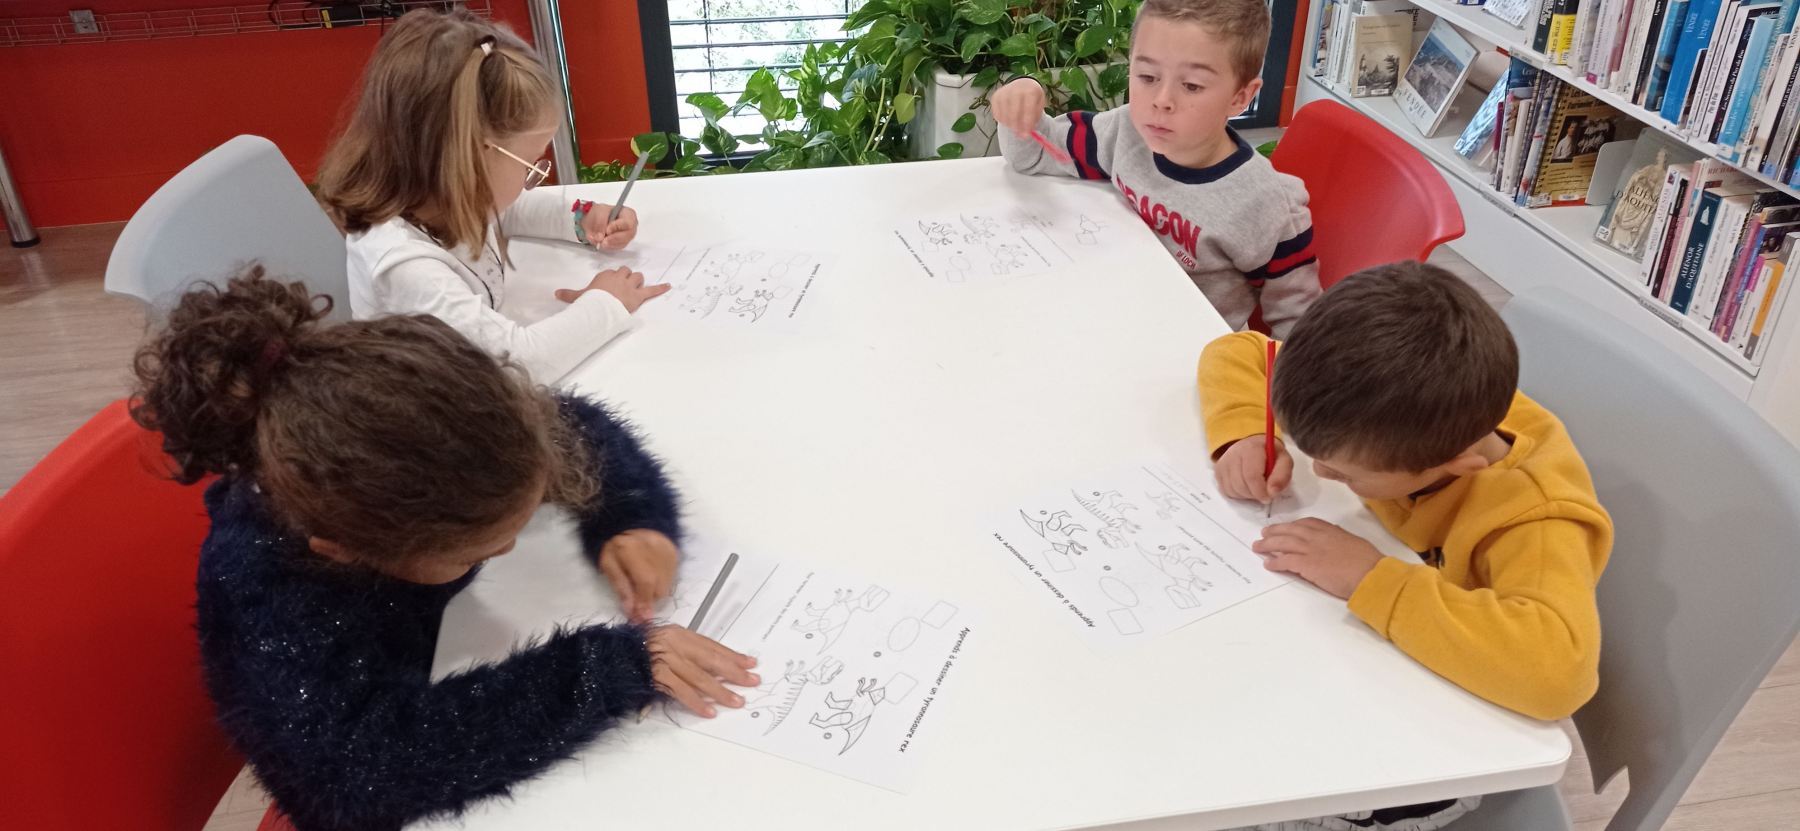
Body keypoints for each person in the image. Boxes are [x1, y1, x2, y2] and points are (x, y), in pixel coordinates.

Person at [131, 269, 755, 831]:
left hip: (443, 653)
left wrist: (634, 520)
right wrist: (607, 668)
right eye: (476, 551)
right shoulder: (270, 596)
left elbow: (578, 431)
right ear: (347, 550)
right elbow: (360, 775)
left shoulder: (429, 429)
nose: (508, 546)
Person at [317, 9, 667, 382]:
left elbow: (511, 209)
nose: (530, 179)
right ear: (470, 158)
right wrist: (607, 303)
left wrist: (583, 218)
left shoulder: (440, 194)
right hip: (423, 403)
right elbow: (518, 365)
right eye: (530, 165)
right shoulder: (406, 266)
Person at [989, 0, 1320, 337]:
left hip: (1184, 352)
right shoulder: (1123, 133)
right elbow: (1034, 154)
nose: (1162, 100)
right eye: (1147, 76)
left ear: (1240, 96)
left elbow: (1300, 330)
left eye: (1192, 85)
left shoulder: (1270, 206)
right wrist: (1022, 98)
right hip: (1102, 318)